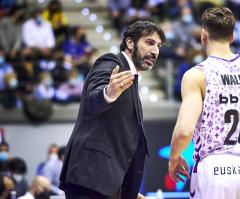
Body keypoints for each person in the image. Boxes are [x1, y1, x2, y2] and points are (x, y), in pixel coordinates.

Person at [168, 7, 240, 199]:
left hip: (214, 167)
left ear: (204, 35)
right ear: (232, 37)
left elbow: (184, 132)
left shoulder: (198, 74)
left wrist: (173, 158)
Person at [59, 21, 165, 199]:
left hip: (105, 186)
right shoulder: (110, 62)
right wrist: (108, 93)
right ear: (130, 43)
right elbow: (92, 100)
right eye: (149, 42)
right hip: (90, 181)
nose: (155, 51)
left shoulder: (131, 78)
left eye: (159, 46)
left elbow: (120, 142)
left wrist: (124, 189)